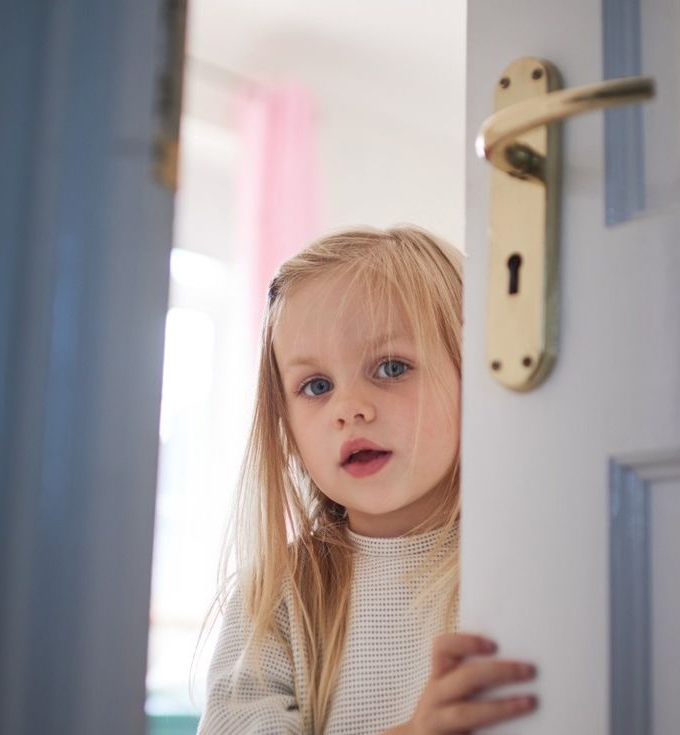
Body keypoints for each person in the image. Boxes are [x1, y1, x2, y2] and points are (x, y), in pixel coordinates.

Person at [198, 226, 538, 734]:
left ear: (475, 376)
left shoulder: (525, 559)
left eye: (391, 367)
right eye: (317, 385)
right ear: (286, 426)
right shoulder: (275, 597)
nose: (349, 408)